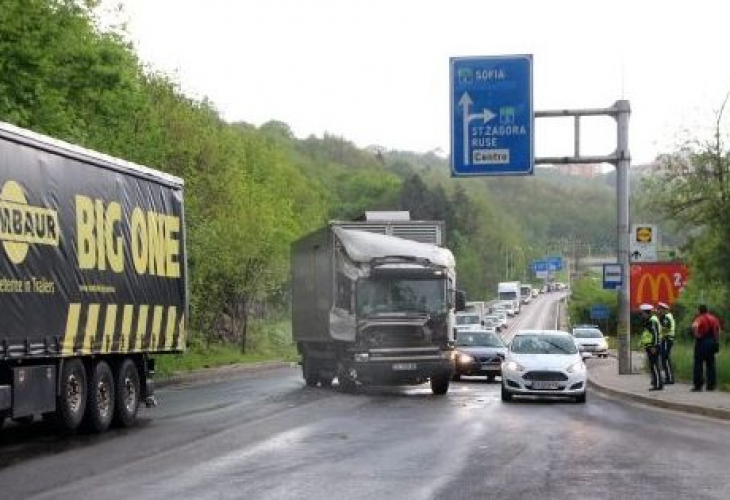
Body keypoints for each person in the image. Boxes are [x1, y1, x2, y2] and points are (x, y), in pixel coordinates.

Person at [691, 304, 722, 391]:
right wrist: (716, 340)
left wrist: (696, 335)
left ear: (699, 310)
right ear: (707, 310)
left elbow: (694, 326)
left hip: (702, 342)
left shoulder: (699, 318)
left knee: (698, 364)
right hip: (712, 342)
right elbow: (719, 330)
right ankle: (711, 385)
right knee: (711, 364)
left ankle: (698, 386)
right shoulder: (714, 318)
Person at [639, 303, 663, 391]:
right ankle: (657, 383)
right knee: (653, 365)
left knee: (654, 366)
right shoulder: (649, 320)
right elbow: (647, 334)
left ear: (646, 313)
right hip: (650, 346)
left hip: (653, 347)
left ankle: (658, 385)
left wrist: (654, 346)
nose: (642, 315)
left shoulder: (652, 321)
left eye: (642, 313)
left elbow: (655, 334)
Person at [657, 302, 675, 385]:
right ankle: (669, 377)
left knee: (665, 359)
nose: (658, 311)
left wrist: (660, 332)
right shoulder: (668, 316)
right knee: (665, 359)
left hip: (666, 339)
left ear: (664, 309)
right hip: (667, 339)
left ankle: (670, 378)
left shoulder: (666, 317)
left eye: (659, 309)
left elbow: (667, 328)